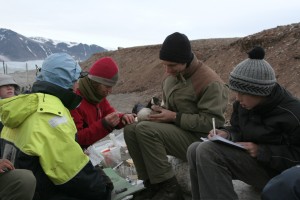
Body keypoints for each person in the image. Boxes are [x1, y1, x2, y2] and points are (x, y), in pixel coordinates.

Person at [124, 32, 229, 200]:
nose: (167, 70)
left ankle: (170, 189)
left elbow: (211, 123)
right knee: (130, 130)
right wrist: (158, 110)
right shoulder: (171, 75)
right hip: (177, 130)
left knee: (145, 130)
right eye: (164, 65)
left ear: (185, 61)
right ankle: (151, 184)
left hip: (199, 140)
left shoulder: (210, 82)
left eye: (171, 65)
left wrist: (174, 117)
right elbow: (170, 104)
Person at [186, 46, 300, 200]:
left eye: (242, 93)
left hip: (279, 176)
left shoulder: (293, 113)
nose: (238, 98)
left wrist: (262, 151)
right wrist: (226, 134)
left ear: (261, 92)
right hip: (256, 164)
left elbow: (297, 158)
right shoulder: (244, 105)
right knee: (194, 149)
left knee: (208, 152)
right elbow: (238, 129)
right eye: (236, 92)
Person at [0, 53, 113, 200]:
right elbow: (73, 175)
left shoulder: (27, 104)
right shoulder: (51, 115)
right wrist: (104, 187)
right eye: (76, 80)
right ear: (67, 82)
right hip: (40, 192)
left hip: (26, 186)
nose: (78, 85)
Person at [70, 57, 135, 149]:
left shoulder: (97, 95)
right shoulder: (75, 101)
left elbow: (110, 114)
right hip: (73, 151)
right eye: (107, 87)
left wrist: (123, 117)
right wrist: (104, 124)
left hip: (87, 149)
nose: (110, 91)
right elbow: (77, 138)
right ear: (95, 83)